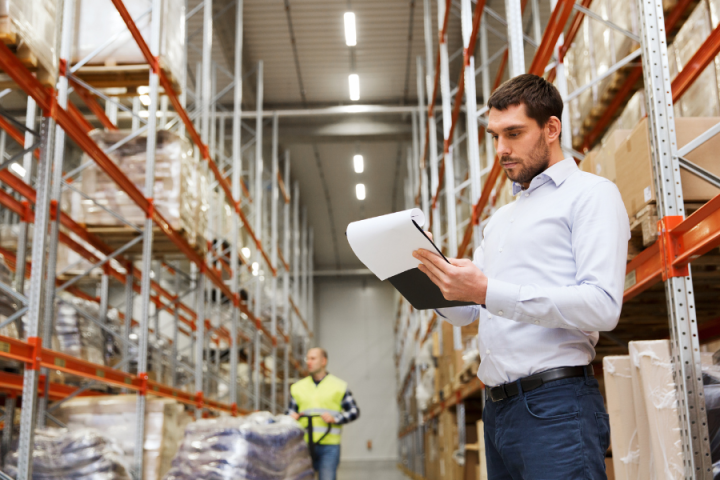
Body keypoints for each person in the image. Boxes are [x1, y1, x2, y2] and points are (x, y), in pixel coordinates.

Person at [413, 73, 629, 479]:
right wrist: (428, 274)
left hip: (556, 406)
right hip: (498, 411)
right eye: (495, 136)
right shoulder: (500, 221)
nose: (501, 149)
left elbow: (602, 306)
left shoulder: (590, 195)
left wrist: (487, 289)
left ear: (551, 128)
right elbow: (472, 312)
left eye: (513, 133)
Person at [288, 347, 360, 480]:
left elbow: (354, 411)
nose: (308, 362)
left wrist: (336, 418)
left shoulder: (338, 386)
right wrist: (291, 417)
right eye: (307, 359)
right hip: (303, 446)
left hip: (329, 447)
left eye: (313, 358)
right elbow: (290, 413)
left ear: (323, 361)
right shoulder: (298, 387)